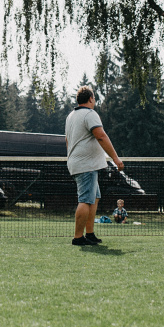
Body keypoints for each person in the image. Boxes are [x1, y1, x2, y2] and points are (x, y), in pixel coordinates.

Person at [65, 86, 124, 246]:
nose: (95, 101)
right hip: (86, 165)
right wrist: (115, 158)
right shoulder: (90, 114)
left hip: (79, 163)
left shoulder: (71, 115)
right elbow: (101, 136)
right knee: (85, 200)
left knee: (94, 197)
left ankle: (89, 234)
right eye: (94, 98)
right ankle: (78, 237)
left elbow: (67, 141)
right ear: (90, 99)